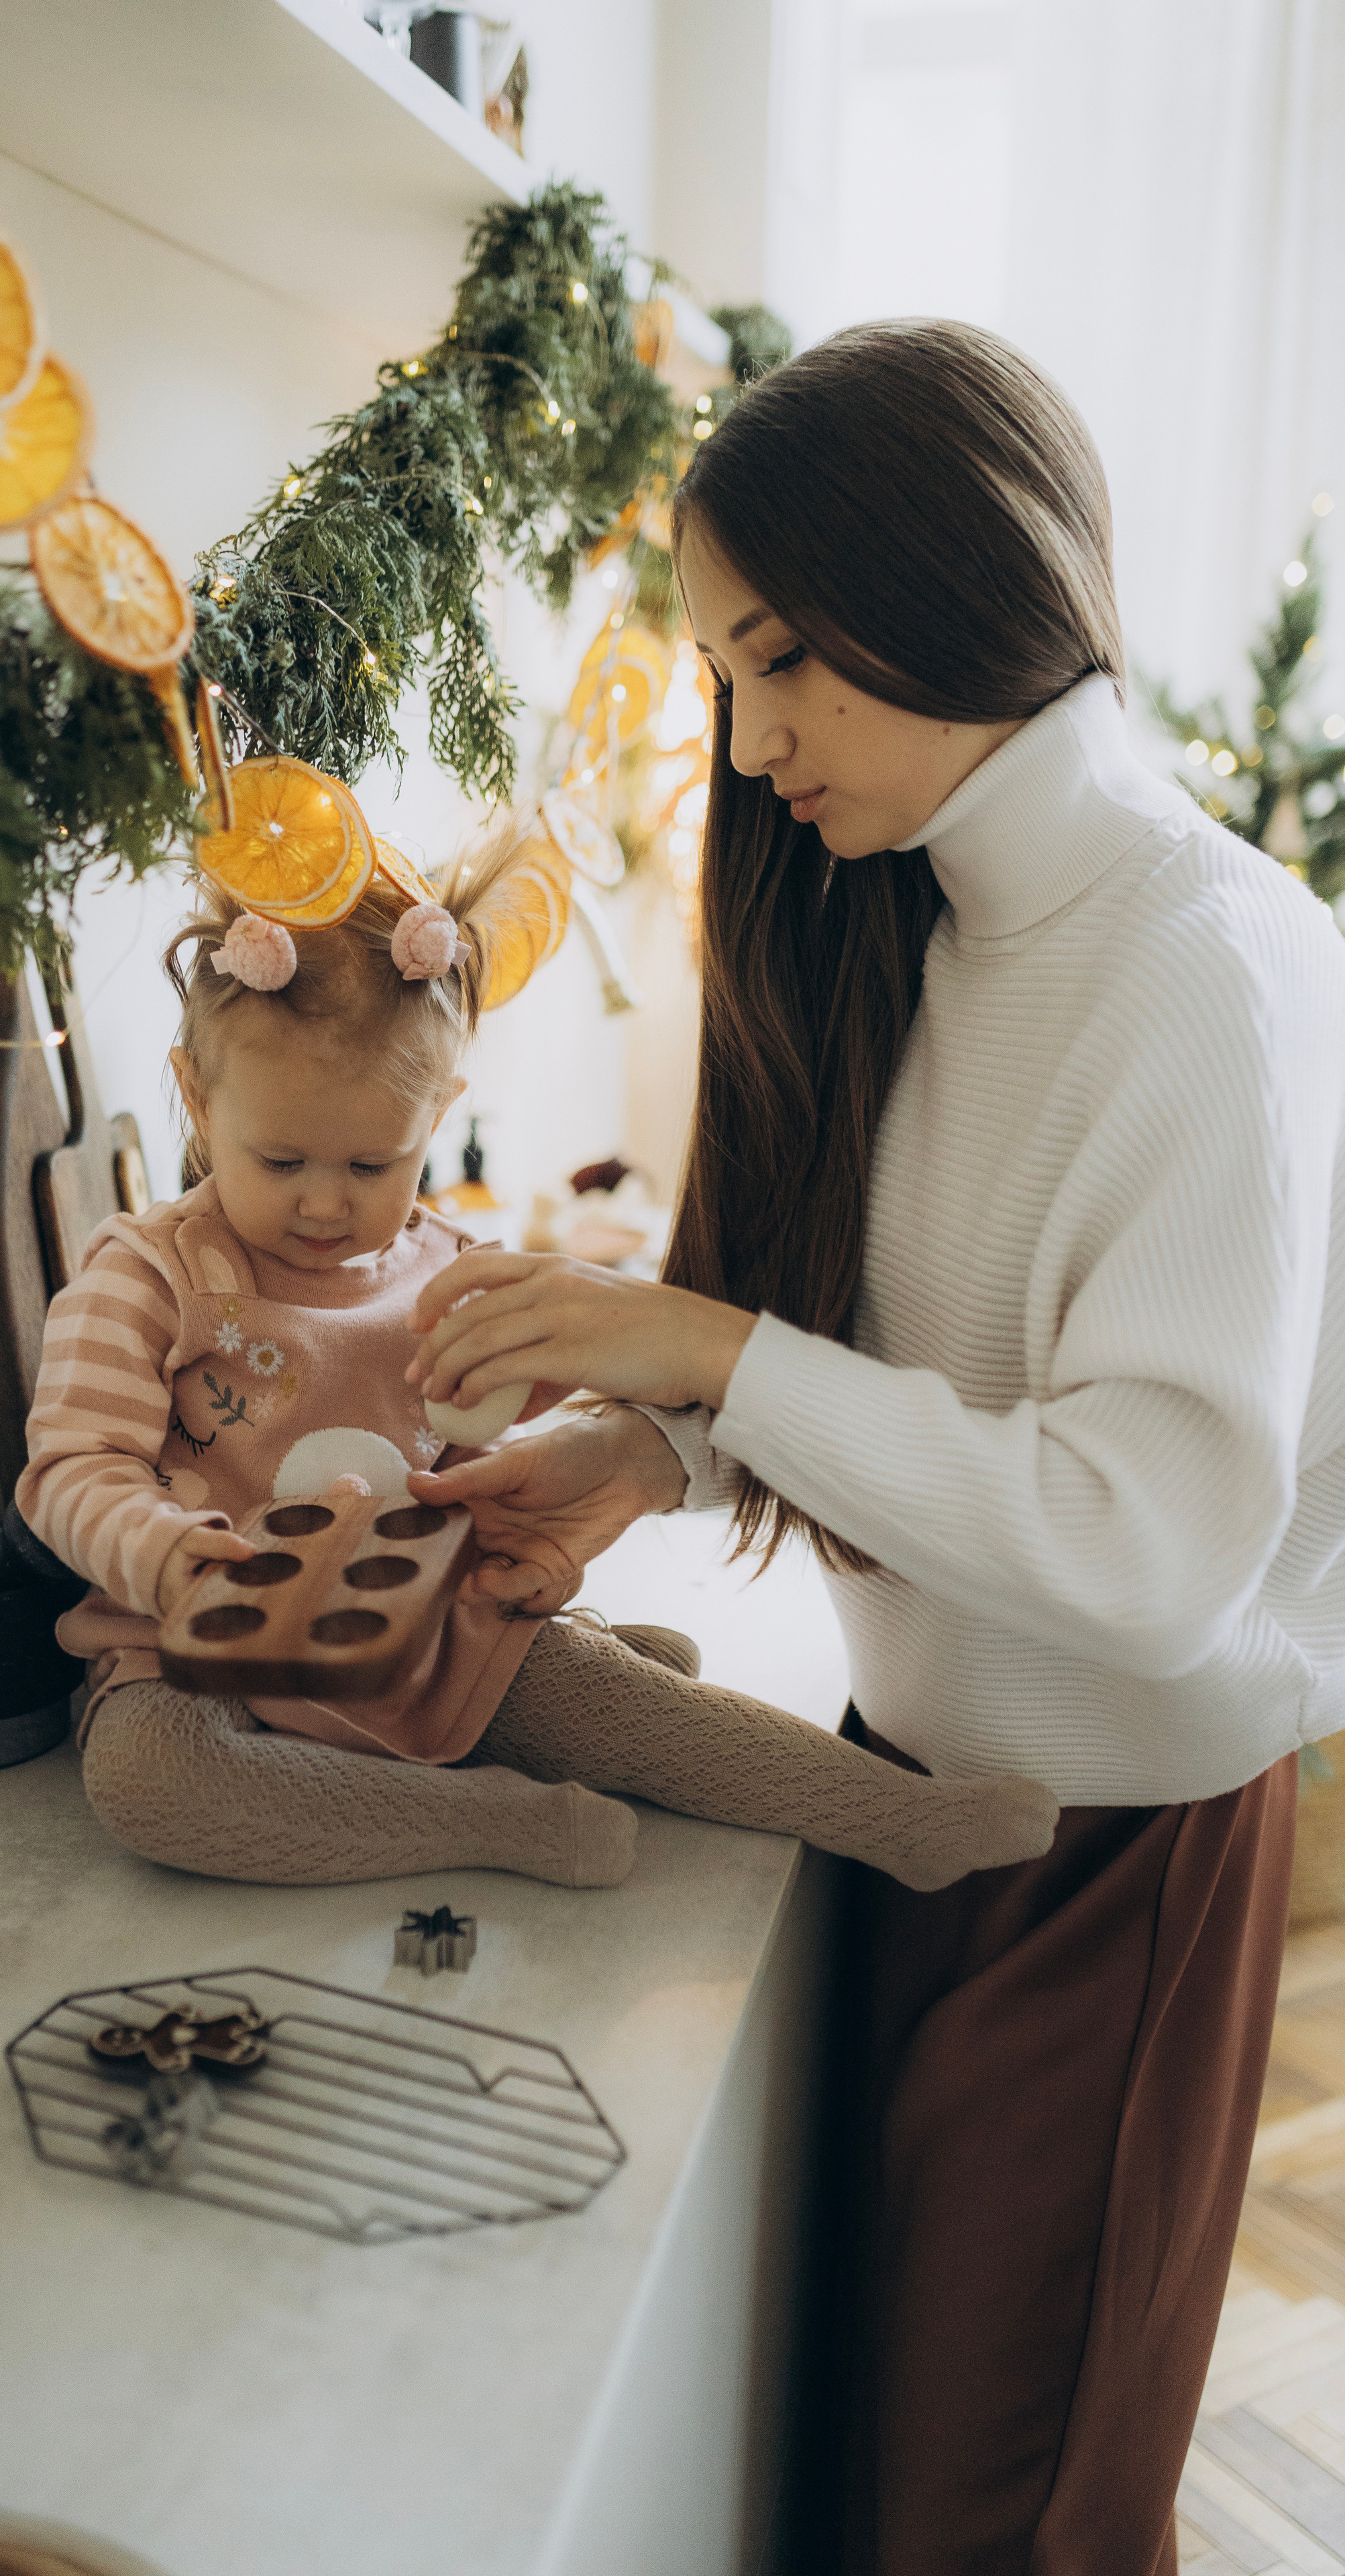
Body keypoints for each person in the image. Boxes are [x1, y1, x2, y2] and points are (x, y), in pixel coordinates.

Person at [403, 318, 1345, 2575]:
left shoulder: (1209, 970)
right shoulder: (908, 920)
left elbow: (1149, 1552)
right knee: (875, 2466)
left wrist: (719, 1360)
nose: (750, 736)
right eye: (729, 669)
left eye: (784, 660)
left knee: (998, 2515)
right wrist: (665, 1457)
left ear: (967, 576)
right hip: (927, 1794)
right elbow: (946, 1373)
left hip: (1112, 1854)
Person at [15, 845, 1059, 1899]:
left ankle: (898, 1814)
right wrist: (172, 1558)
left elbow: (601, 1409)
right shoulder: (147, 1274)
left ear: (439, 1111)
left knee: (610, 1703)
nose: (326, 1204)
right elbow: (72, 1469)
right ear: (197, 1100)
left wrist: (593, 1389)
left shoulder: (457, 1277)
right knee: (149, 1781)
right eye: (281, 1162)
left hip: (419, 1627)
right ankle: (504, 1819)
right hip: (193, 1646)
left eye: (375, 1166)